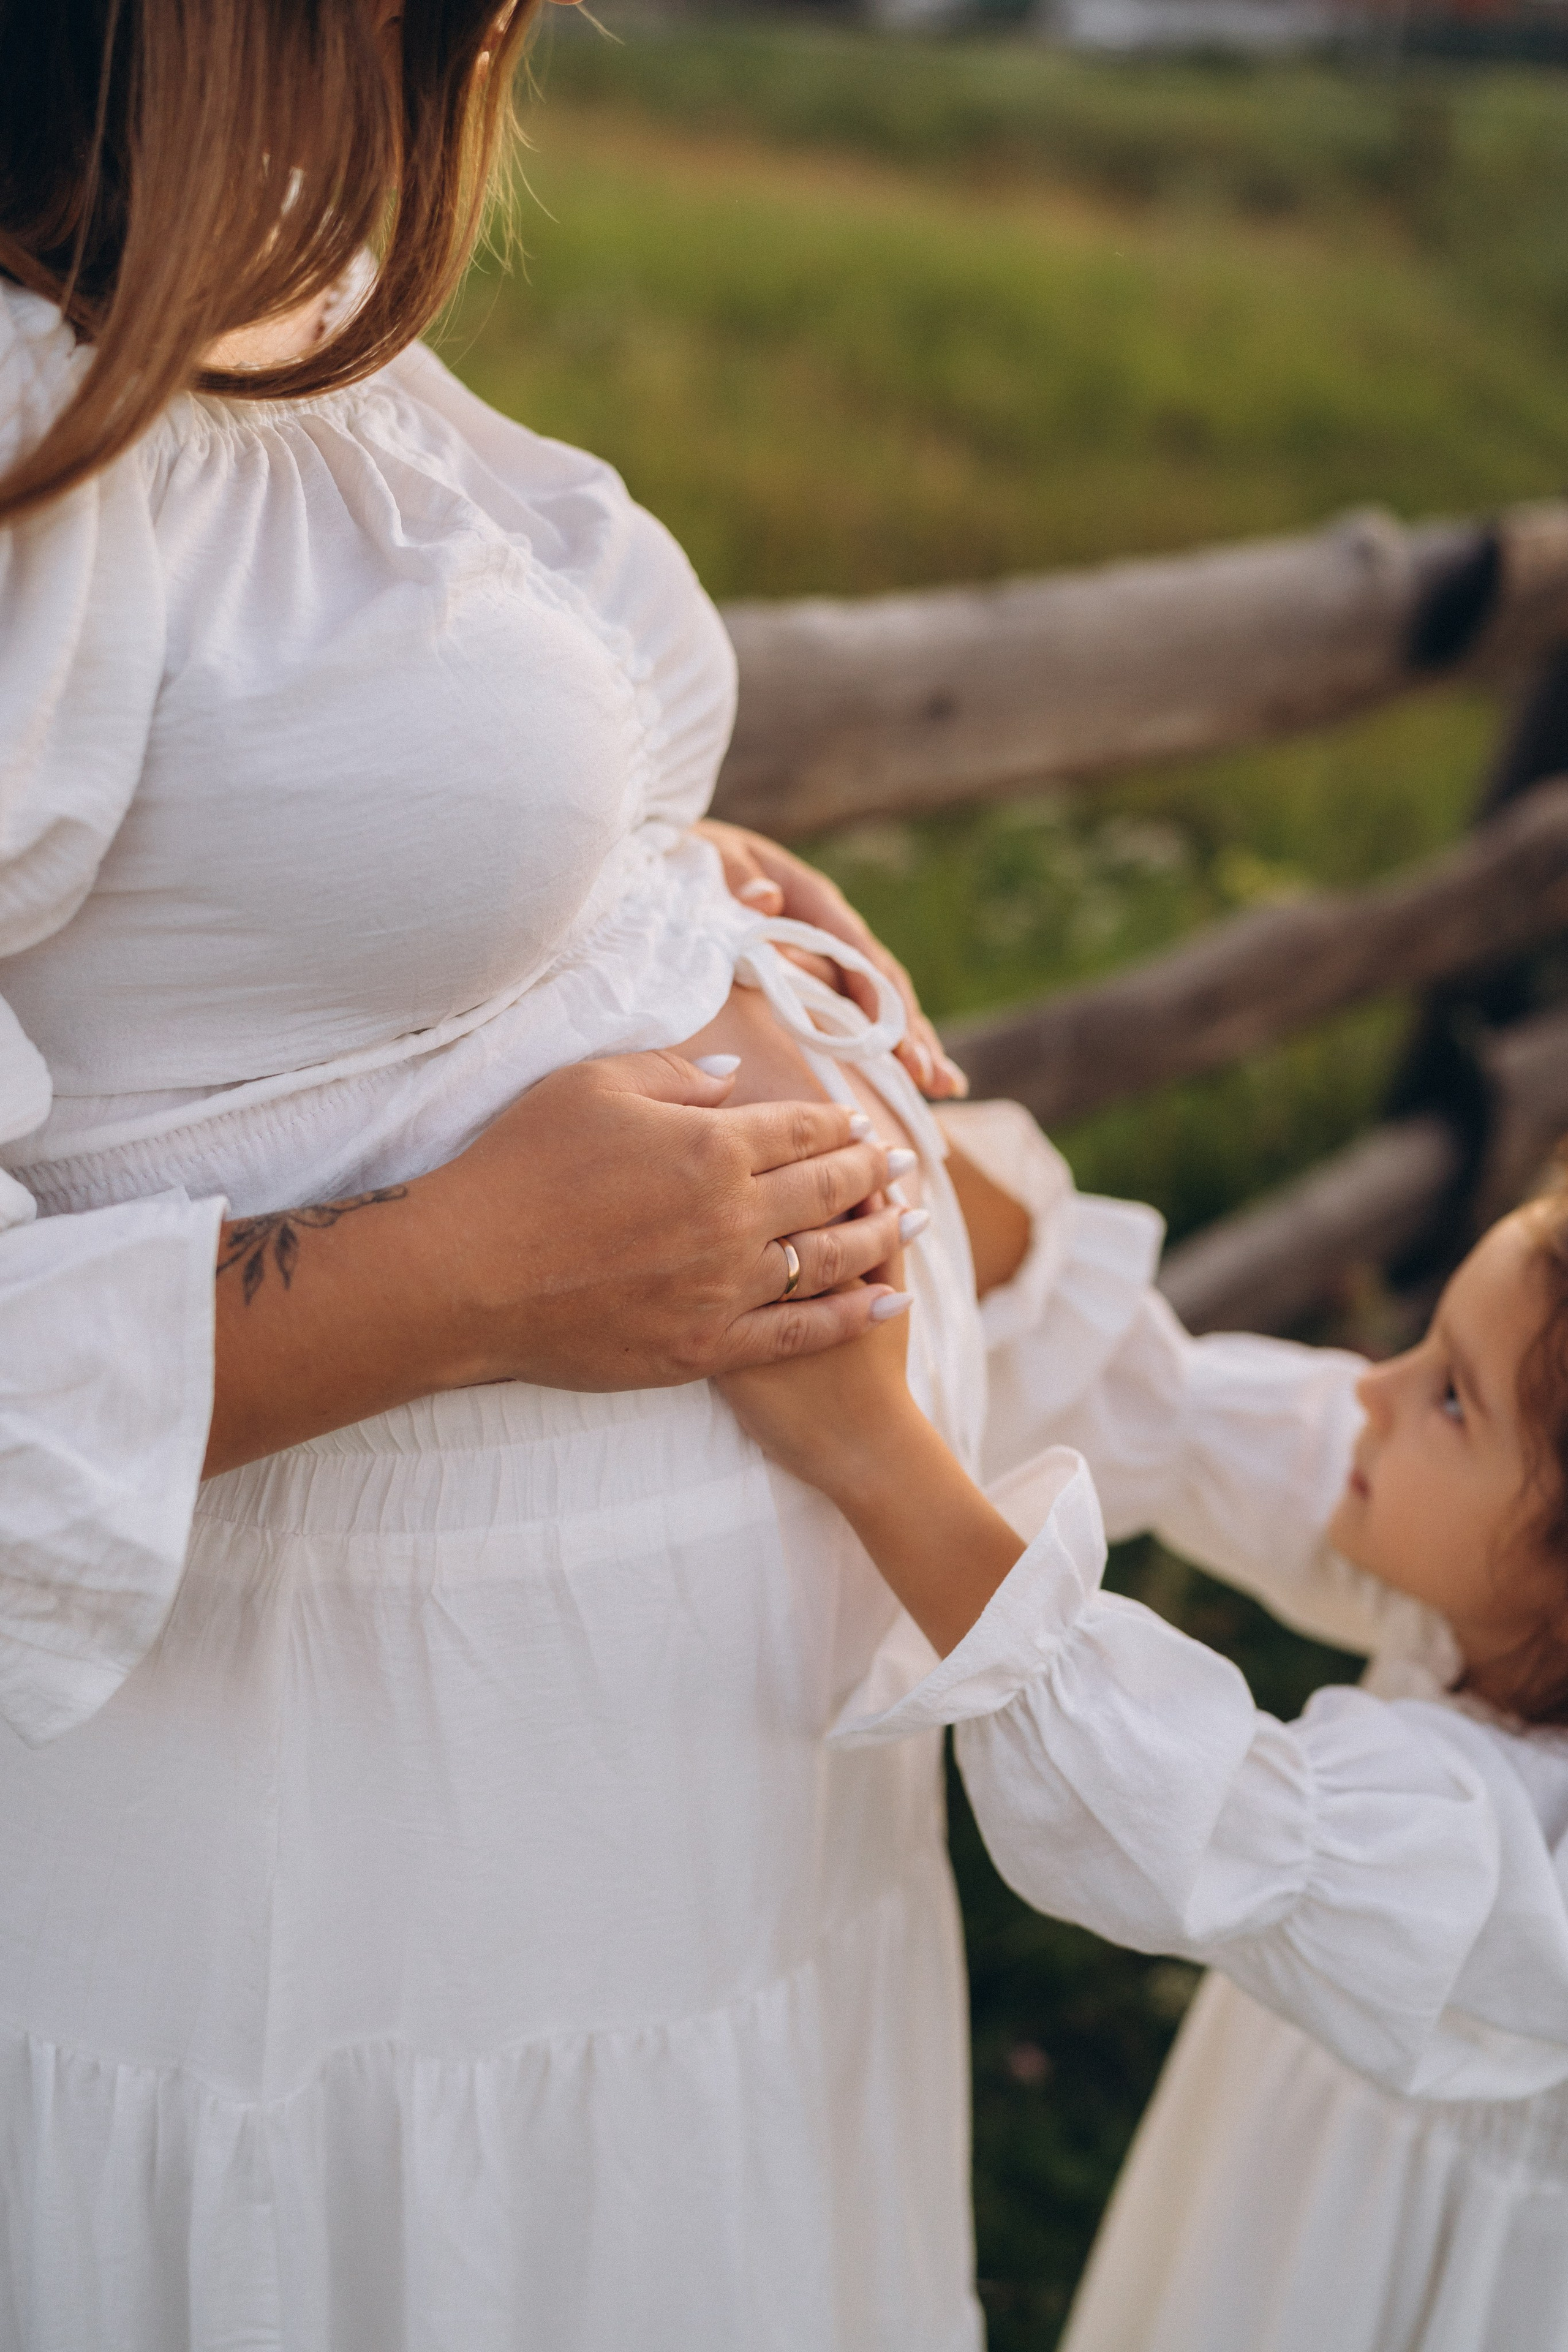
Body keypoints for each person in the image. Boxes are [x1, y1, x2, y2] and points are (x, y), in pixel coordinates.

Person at [0, 6, 1031, 2348]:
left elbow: (283, 856)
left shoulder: (272, 299)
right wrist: (457, 1276)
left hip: (683, 1858)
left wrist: (640, 883)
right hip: (339, 1923)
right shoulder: (25, 401)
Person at [723, 1096, 1568, 2352]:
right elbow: (1180, 1416)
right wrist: (877, 1118)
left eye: (1451, 1397)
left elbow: (1196, 1814)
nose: (1373, 1391)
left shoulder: (1506, 1872)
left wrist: (875, 1456)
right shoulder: (1499, 1617)